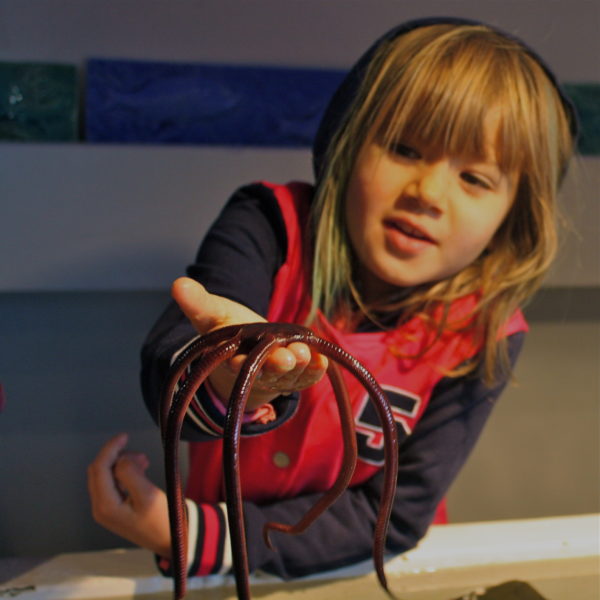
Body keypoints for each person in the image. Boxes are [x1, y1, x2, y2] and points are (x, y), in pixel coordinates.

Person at [88, 16, 577, 582]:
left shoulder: (489, 332)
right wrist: (225, 372)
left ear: (512, 217)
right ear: (347, 142)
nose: (428, 194)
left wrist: (204, 535)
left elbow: (392, 515)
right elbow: (171, 374)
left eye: (475, 179)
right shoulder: (267, 226)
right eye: (403, 148)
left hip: (369, 571)